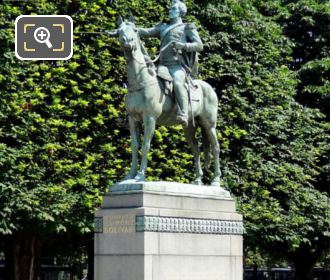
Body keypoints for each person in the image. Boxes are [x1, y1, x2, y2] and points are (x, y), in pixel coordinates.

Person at [138, 0, 203, 126]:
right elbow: (144, 31)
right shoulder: (163, 27)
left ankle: (183, 113)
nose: (170, 11)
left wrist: (183, 45)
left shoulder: (187, 27)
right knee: (145, 81)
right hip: (162, 66)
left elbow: (199, 45)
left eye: (173, 9)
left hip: (178, 66)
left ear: (180, 12)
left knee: (178, 83)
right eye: (170, 9)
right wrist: (126, 29)